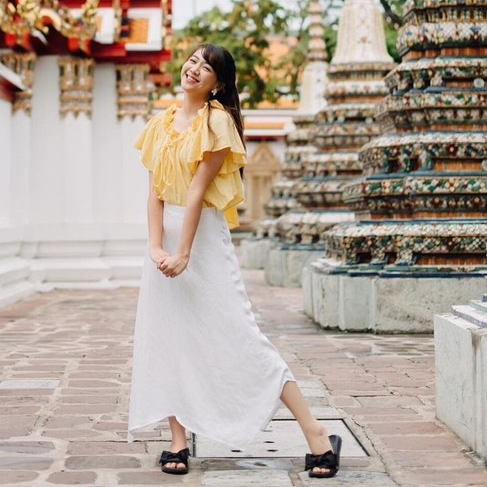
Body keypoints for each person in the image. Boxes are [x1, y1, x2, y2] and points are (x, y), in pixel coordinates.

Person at [127, 43, 342, 479]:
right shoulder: (159, 124)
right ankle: (178, 441)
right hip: (165, 237)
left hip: (201, 235)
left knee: (242, 335)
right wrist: (155, 247)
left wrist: (184, 252)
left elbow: (196, 192)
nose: (194, 69)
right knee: (168, 336)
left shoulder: (218, 123)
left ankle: (317, 434)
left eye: (206, 68)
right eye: (192, 61)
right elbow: (155, 191)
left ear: (217, 84)